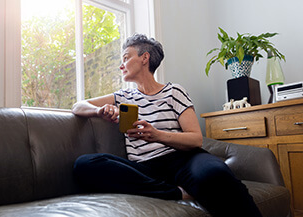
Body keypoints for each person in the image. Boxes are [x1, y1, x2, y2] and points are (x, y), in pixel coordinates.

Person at [71, 34, 262, 217]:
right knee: (85, 165)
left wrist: (157, 135)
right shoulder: (123, 97)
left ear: (144, 58)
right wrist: (99, 111)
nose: (121, 66)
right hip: (144, 168)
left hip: (183, 159)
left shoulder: (174, 92)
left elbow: (195, 139)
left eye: (126, 58)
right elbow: (77, 106)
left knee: (216, 174)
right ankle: (176, 193)